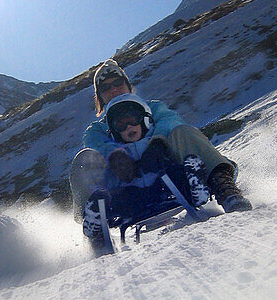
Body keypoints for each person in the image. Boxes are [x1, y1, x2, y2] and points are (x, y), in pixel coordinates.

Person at [70, 59, 252, 249]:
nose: (114, 89)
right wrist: (114, 154)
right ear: (100, 97)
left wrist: (158, 142)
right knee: (83, 159)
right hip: (124, 193)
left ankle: (224, 188)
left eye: (118, 83)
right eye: (106, 88)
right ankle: (94, 225)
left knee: (184, 132)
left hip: (168, 176)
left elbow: (169, 121)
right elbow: (95, 144)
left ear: (128, 85)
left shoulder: (154, 108)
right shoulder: (97, 129)